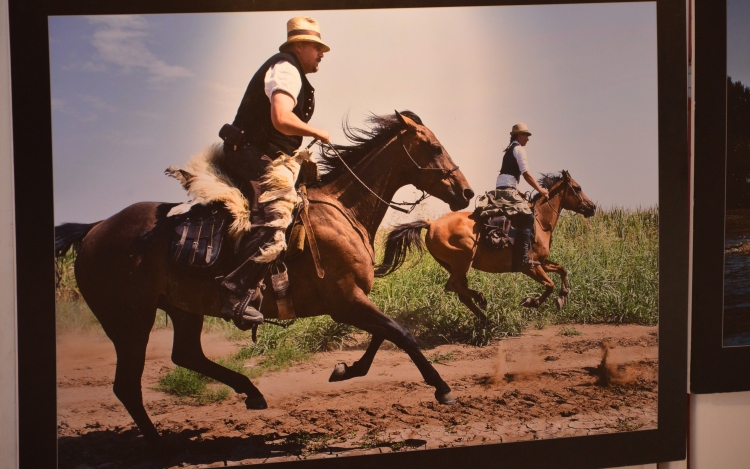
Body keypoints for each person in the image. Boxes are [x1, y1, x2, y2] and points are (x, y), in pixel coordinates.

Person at [219, 16, 331, 327]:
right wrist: (316, 132)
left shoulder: (293, 72)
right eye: (316, 47)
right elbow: (281, 118)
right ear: (299, 46)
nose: (322, 53)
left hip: (267, 154)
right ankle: (235, 291)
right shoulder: (285, 68)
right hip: (250, 154)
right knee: (278, 211)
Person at [494, 122, 549, 270]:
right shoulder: (518, 149)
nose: (528, 138)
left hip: (503, 187)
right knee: (528, 218)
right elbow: (526, 174)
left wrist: (518, 191)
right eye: (526, 135)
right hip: (507, 190)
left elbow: (507, 174)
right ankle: (523, 258)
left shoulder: (510, 150)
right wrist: (540, 190)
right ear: (518, 135)